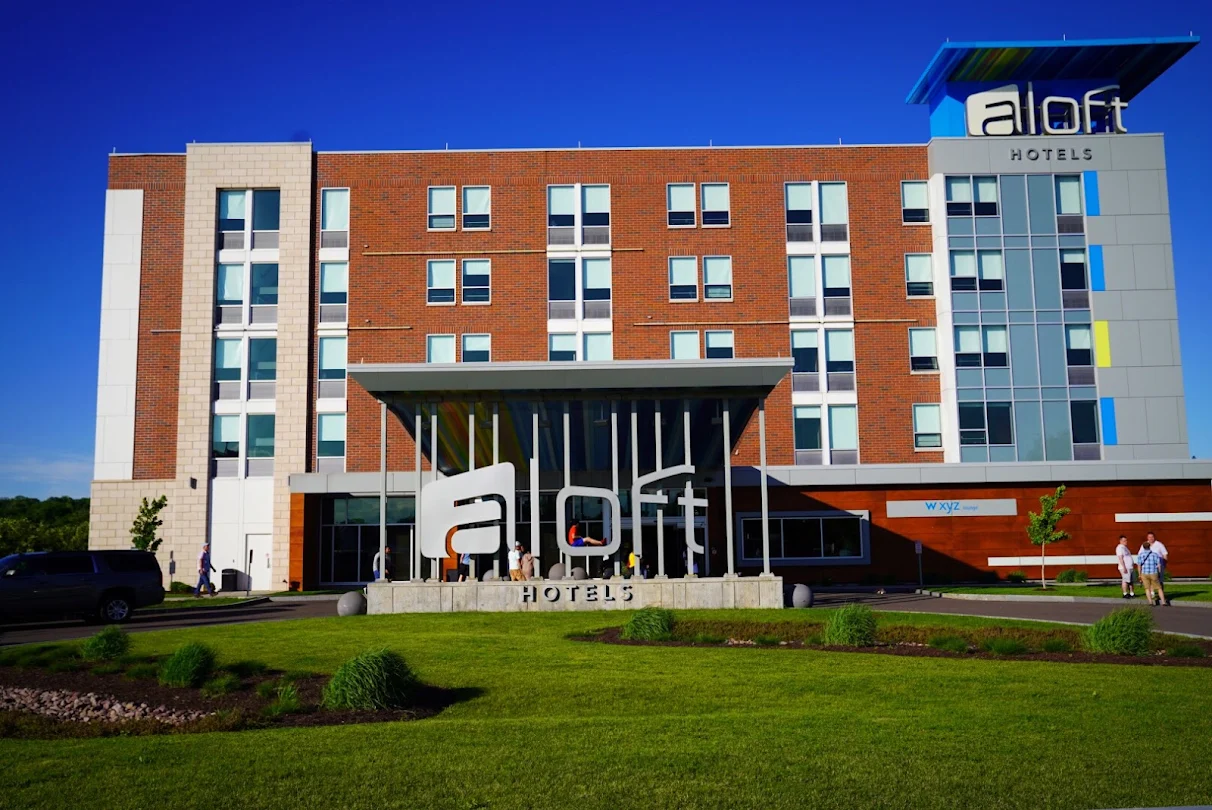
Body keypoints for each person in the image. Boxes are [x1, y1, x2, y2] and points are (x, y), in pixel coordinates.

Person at [1136, 538, 1167, 607]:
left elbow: (1139, 565)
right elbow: (1158, 565)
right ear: (1149, 546)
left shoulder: (1140, 555)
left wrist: (1139, 574)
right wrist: (1159, 572)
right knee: (1159, 588)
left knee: (1147, 588)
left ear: (1143, 547)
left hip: (1145, 573)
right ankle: (1163, 602)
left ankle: (1150, 602)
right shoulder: (1155, 554)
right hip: (1153, 572)